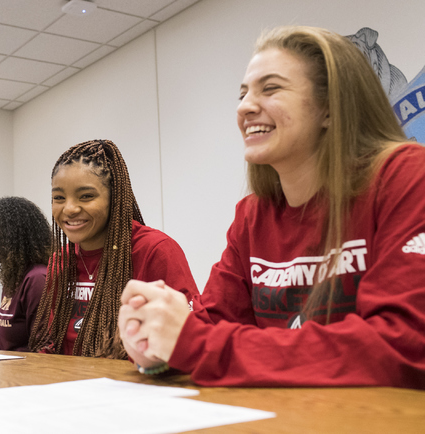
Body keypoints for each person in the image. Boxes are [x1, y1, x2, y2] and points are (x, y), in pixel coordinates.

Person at [119, 25, 425, 388]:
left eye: (271, 88)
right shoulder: (251, 216)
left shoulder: (407, 176)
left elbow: (399, 346)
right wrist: (155, 342)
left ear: (330, 108)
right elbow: (212, 326)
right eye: (243, 93)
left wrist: (192, 344)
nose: (245, 107)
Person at [28, 139, 198, 359]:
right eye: (58, 198)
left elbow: (188, 338)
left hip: (134, 386)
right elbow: (51, 342)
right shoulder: (61, 261)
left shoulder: (155, 251)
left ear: (114, 197)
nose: (69, 209)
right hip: (67, 384)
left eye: (86, 196)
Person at [0, 197, 51, 351]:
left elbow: (42, 351)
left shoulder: (37, 279)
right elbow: (6, 344)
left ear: (8, 235)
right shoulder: (14, 277)